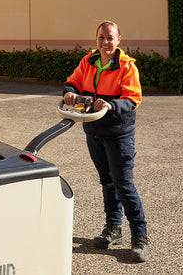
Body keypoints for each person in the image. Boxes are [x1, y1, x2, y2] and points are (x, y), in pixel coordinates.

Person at [63, 20, 149, 262]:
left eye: (110, 37)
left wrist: (111, 104)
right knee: (106, 182)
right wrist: (70, 91)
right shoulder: (88, 60)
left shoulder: (126, 66)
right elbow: (74, 81)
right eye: (101, 37)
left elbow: (132, 99)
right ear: (96, 39)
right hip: (94, 132)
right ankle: (113, 229)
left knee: (123, 185)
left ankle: (140, 237)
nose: (105, 42)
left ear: (118, 39)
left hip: (118, 134)